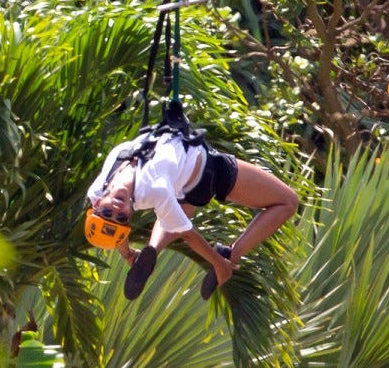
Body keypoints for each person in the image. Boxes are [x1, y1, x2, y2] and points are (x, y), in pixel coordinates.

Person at [85, 117, 299, 300]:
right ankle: (233, 253)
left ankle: (154, 248)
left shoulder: (96, 190)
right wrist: (220, 265)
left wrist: (127, 253)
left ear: (97, 203)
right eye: (121, 217)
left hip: (180, 186)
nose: (115, 209)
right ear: (130, 215)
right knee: (288, 202)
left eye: (106, 213)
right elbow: (188, 235)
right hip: (208, 174)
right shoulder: (154, 187)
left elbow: (115, 232)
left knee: (176, 210)